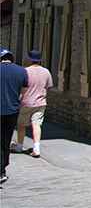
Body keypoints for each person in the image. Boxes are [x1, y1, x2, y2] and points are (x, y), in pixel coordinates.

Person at [12, 50, 52, 158]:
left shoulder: (25, 71)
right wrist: (43, 97)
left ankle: (19, 145)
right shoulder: (46, 72)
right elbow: (47, 87)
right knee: (36, 124)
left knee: (21, 124)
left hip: (26, 102)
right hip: (40, 102)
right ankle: (36, 148)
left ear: (29, 59)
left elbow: (20, 87)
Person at [1, 49, 29, 184]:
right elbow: (22, 92)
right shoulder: (22, 71)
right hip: (12, 110)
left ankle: (1, 171)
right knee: (6, 140)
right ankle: (3, 167)